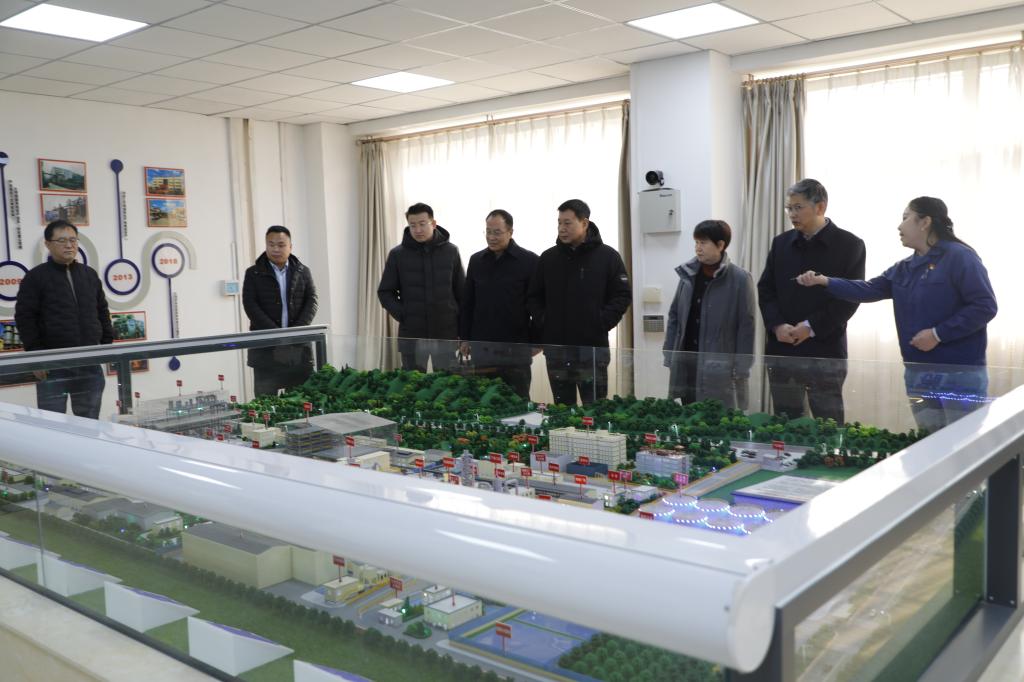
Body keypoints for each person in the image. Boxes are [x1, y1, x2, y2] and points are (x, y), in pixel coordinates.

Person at [796, 197, 997, 431]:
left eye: (905, 218)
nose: (899, 226)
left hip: (959, 374)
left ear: (925, 222)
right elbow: (869, 289)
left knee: (963, 443)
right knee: (929, 443)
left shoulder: (960, 257)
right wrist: (825, 281)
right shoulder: (904, 268)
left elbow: (984, 306)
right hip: (917, 373)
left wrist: (938, 334)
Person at [757, 178, 865, 423]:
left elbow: (850, 298)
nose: (792, 214)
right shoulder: (781, 243)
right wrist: (777, 325)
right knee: (786, 422)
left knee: (828, 423)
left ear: (820, 207)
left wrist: (810, 327)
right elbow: (766, 289)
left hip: (824, 349)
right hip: (783, 347)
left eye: (798, 207)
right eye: (789, 208)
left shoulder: (850, 245)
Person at [528, 199, 631, 405]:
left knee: (594, 408)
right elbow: (534, 297)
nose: (561, 228)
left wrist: (600, 322)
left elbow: (622, 296)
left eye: (567, 223)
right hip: (557, 350)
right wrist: (545, 321)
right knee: (563, 409)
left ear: (584, 223)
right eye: (559, 223)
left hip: (592, 351)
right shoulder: (548, 258)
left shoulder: (608, 256)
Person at [15, 219, 113, 418]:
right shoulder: (35, 277)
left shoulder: (89, 274)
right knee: (52, 423)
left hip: (90, 362)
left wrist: (106, 345)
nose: (69, 245)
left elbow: (102, 310)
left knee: (89, 422)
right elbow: (25, 318)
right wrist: (36, 357)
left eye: (73, 240)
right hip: (52, 365)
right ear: (48, 244)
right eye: (61, 240)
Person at [663, 220, 755, 408]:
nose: (698, 248)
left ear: (720, 245)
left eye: (703, 242)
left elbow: (746, 327)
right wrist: (670, 354)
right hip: (687, 364)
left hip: (719, 367)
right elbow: (675, 316)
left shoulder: (740, 279)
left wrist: (742, 368)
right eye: (696, 242)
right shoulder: (688, 275)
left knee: (717, 416)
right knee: (689, 414)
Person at [459, 209, 539, 399]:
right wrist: (465, 338)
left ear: (510, 232)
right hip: (483, 347)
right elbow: (468, 302)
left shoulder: (529, 261)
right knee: (484, 400)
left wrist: (537, 341)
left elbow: (538, 305)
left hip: (516, 347)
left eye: (497, 232)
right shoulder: (476, 260)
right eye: (488, 231)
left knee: (518, 401)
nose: (491, 237)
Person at [378, 202, 465, 372]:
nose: (417, 230)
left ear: (433, 223)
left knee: (446, 383)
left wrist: (461, 328)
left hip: (445, 333)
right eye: (412, 225)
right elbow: (385, 292)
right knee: (412, 383)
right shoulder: (397, 255)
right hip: (412, 334)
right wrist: (404, 314)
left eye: (422, 224)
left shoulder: (451, 252)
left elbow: (462, 293)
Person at [242, 225, 318, 396]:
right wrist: (278, 337)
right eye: (271, 244)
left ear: (290, 247)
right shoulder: (253, 273)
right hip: (266, 351)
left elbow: (312, 301)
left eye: (281, 245)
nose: (275, 249)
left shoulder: (303, 271)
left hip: (298, 350)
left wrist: (294, 335)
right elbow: (250, 306)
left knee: (301, 401)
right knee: (265, 404)